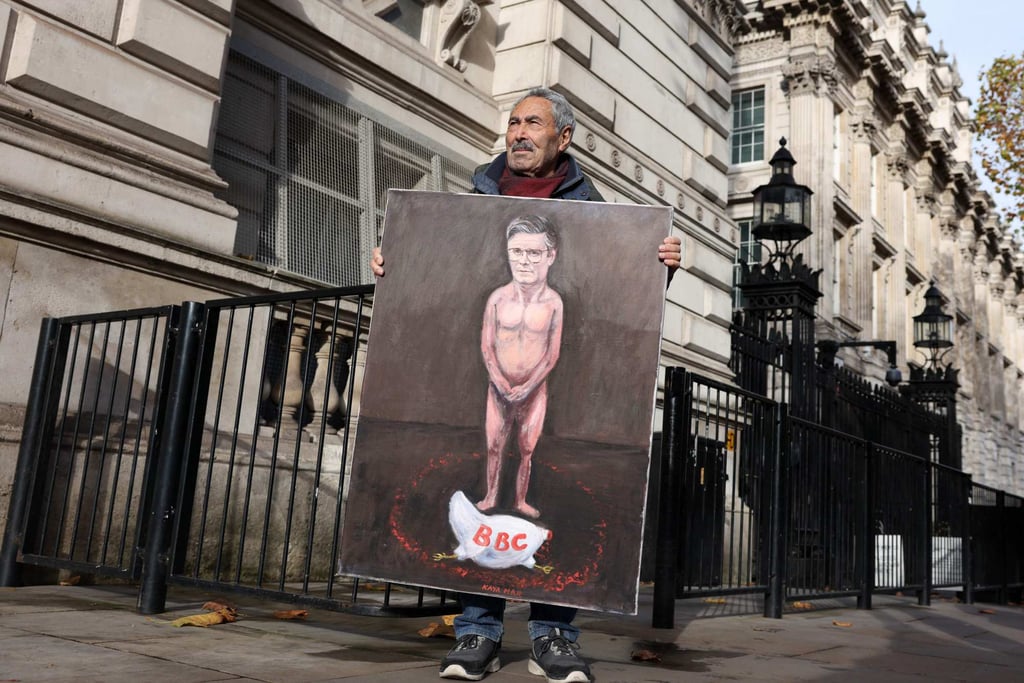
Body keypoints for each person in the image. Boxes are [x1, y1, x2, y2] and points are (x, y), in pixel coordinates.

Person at [371, 87, 681, 683]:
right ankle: (477, 634)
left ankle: (554, 637)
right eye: (513, 121)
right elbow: (443, 281)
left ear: (562, 139)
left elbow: (617, 307)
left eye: (532, 123)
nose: (518, 131)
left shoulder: (595, 211)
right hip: (491, 381)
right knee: (483, 464)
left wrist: (657, 267)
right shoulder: (474, 198)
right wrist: (395, 259)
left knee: (543, 469)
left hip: (543, 385)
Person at [479, 215, 564, 520]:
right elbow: (487, 347)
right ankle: (490, 496)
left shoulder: (554, 303)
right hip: (498, 388)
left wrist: (528, 387)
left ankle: (520, 500)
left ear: (550, 256)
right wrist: (500, 381)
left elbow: (551, 355)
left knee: (527, 448)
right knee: (494, 445)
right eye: (517, 252)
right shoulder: (497, 299)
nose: (524, 261)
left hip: (534, 390)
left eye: (533, 253)